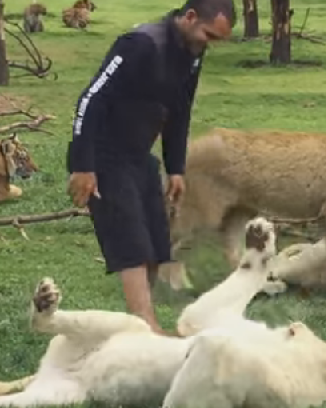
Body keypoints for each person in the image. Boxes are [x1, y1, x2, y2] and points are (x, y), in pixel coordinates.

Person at [66, 0, 236, 335]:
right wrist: (83, 165)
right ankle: (146, 326)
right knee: (130, 238)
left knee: (157, 240)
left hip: (138, 154)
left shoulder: (192, 52)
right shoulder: (140, 44)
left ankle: (147, 322)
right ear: (189, 17)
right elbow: (90, 99)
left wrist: (176, 167)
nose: (209, 44)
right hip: (104, 153)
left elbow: (180, 110)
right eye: (208, 35)